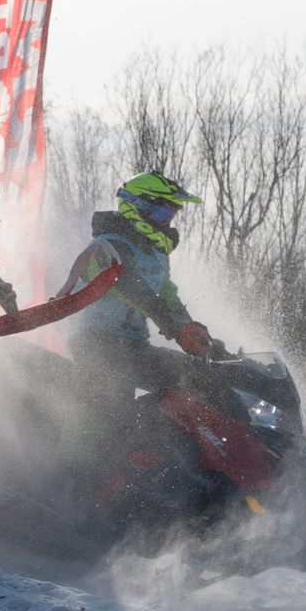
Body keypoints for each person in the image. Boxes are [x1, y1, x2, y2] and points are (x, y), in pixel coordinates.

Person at [58, 171, 227, 457]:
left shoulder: (157, 253)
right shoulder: (108, 243)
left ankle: (200, 460)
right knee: (112, 404)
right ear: (139, 206)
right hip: (97, 341)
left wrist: (202, 338)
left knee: (199, 378)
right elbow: (129, 286)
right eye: (162, 212)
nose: (167, 221)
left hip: (135, 346)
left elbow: (168, 297)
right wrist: (171, 324)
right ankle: (73, 467)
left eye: (172, 213)